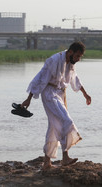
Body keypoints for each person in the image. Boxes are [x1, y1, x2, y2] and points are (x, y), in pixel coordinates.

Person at [21, 41, 91, 169]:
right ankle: (65, 157)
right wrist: (29, 99)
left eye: (80, 57)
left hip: (59, 94)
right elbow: (40, 79)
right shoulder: (54, 60)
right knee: (66, 121)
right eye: (77, 56)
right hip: (49, 94)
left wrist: (85, 94)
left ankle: (47, 162)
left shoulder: (70, 63)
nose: (78, 59)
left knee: (54, 127)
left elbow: (75, 79)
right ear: (70, 52)